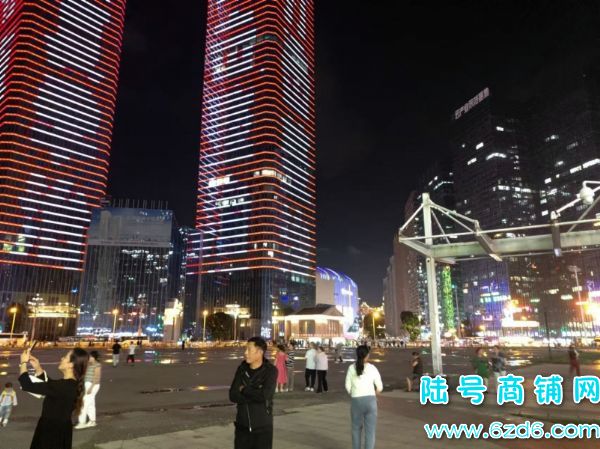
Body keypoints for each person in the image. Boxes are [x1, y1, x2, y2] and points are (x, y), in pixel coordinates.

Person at [19, 348, 89, 449]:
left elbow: (26, 384)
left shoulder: (63, 386)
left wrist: (23, 362)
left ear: (71, 365)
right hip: (60, 430)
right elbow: (52, 386)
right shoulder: (71, 384)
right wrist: (38, 368)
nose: (62, 358)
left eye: (65, 357)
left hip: (50, 432)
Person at [229, 337, 278, 449]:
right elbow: (232, 395)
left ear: (260, 352)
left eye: (249, 349)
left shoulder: (270, 371)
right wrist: (255, 394)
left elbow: (265, 395)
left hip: (262, 428)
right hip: (242, 426)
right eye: (245, 349)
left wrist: (244, 390)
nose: (245, 353)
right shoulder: (242, 369)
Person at [345, 345, 383, 449]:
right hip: (370, 401)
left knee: (356, 429)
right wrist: (374, 394)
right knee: (370, 431)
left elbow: (347, 386)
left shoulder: (351, 368)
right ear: (367, 355)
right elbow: (380, 387)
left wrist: (354, 393)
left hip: (356, 400)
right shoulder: (372, 368)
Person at [76, 350, 102, 429]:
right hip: (88, 385)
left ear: (94, 357)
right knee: (91, 404)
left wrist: (91, 388)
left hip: (93, 386)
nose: (89, 358)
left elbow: (97, 378)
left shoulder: (97, 365)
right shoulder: (88, 364)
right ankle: (92, 421)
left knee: (84, 404)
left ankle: (82, 422)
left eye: (91, 357)